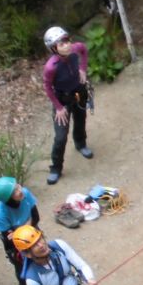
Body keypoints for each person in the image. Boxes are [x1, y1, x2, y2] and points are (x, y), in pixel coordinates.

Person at [42, 26, 93, 185]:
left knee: (80, 119)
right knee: (60, 136)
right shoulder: (51, 67)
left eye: (67, 41)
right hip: (62, 99)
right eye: (61, 44)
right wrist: (58, 107)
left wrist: (83, 70)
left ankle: (80, 143)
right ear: (54, 48)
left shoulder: (75, 49)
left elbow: (84, 50)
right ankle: (56, 168)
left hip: (78, 92)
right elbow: (47, 87)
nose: (67, 45)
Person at [0, 175, 40, 285]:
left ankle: (42, 282)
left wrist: (20, 229)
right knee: (21, 265)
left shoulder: (26, 194)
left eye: (18, 187)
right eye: (15, 191)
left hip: (32, 231)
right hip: (16, 244)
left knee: (41, 255)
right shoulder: (1, 214)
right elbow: (10, 239)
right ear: (8, 199)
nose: (20, 191)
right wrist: (27, 224)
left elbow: (35, 217)